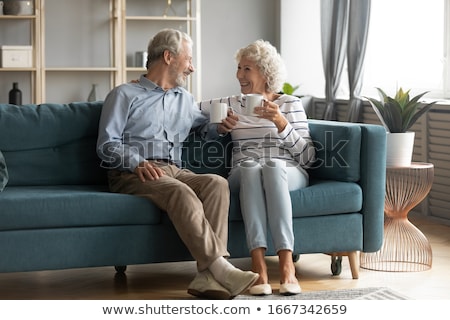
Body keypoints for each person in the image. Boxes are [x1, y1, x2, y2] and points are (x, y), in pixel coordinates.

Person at [96, 28, 258, 300]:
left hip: (175, 169)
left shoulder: (185, 99)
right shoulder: (124, 94)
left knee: (217, 184)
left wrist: (220, 127)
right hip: (133, 173)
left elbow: (203, 128)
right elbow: (106, 145)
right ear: (169, 57)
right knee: (180, 191)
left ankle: (207, 276)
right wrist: (136, 162)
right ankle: (220, 266)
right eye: (189, 59)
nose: (192, 68)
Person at [199, 40, 316, 296]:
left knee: (273, 165)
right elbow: (187, 109)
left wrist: (282, 123)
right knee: (252, 166)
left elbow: (307, 158)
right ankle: (258, 266)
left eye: (247, 69)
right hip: (244, 170)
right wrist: (218, 129)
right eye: (239, 68)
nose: (239, 75)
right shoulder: (230, 104)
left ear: (265, 72)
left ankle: (287, 266)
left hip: (287, 170)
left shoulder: (290, 104)